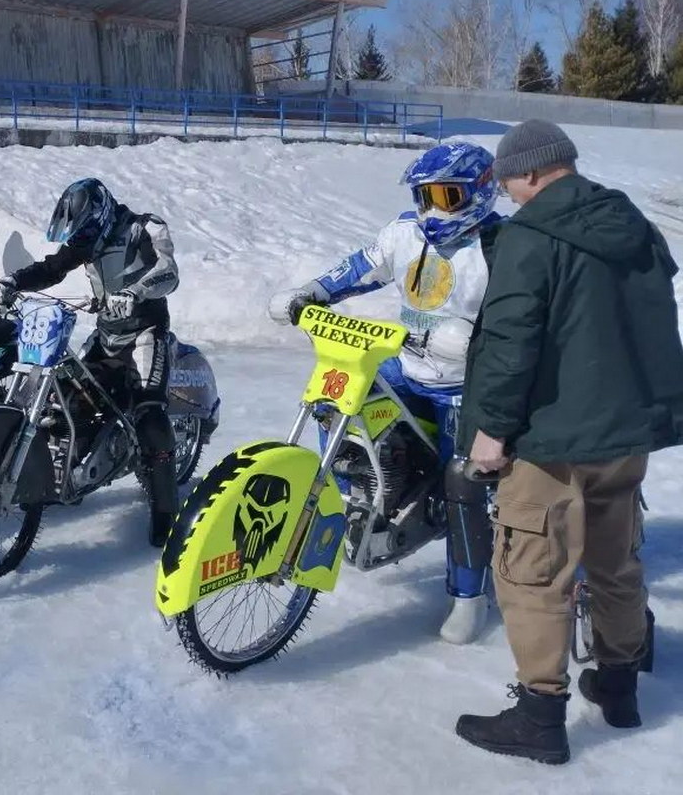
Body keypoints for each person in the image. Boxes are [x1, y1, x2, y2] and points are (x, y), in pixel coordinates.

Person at [455, 120, 683, 764]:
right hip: (623, 435)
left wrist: (491, 431)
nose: (506, 192)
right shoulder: (633, 226)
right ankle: (619, 687)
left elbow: (510, 342)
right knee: (615, 562)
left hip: (551, 441)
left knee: (533, 573)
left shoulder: (531, 237)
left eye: (508, 180)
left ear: (532, 172)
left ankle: (539, 718)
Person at [273, 142, 503, 645]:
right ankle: (359, 499)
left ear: (480, 191)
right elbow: (362, 266)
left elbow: (523, 321)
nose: (433, 210)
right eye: (425, 197)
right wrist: (312, 292)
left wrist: (477, 340)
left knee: (462, 485)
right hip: (407, 365)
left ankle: (469, 594)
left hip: (465, 385)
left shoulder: (500, 246)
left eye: (447, 196)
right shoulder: (404, 233)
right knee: (336, 401)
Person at [0, 178, 180, 546]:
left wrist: (135, 292)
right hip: (106, 334)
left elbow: (169, 272)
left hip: (145, 333)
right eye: (80, 233)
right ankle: (71, 475)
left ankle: (166, 514)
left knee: (150, 415)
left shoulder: (145, 227)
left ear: (102, 214)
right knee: (66, 398)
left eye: (87, 230)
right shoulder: (89, 238)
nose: (82, 240)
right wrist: (13, 281)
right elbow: (53, 267)